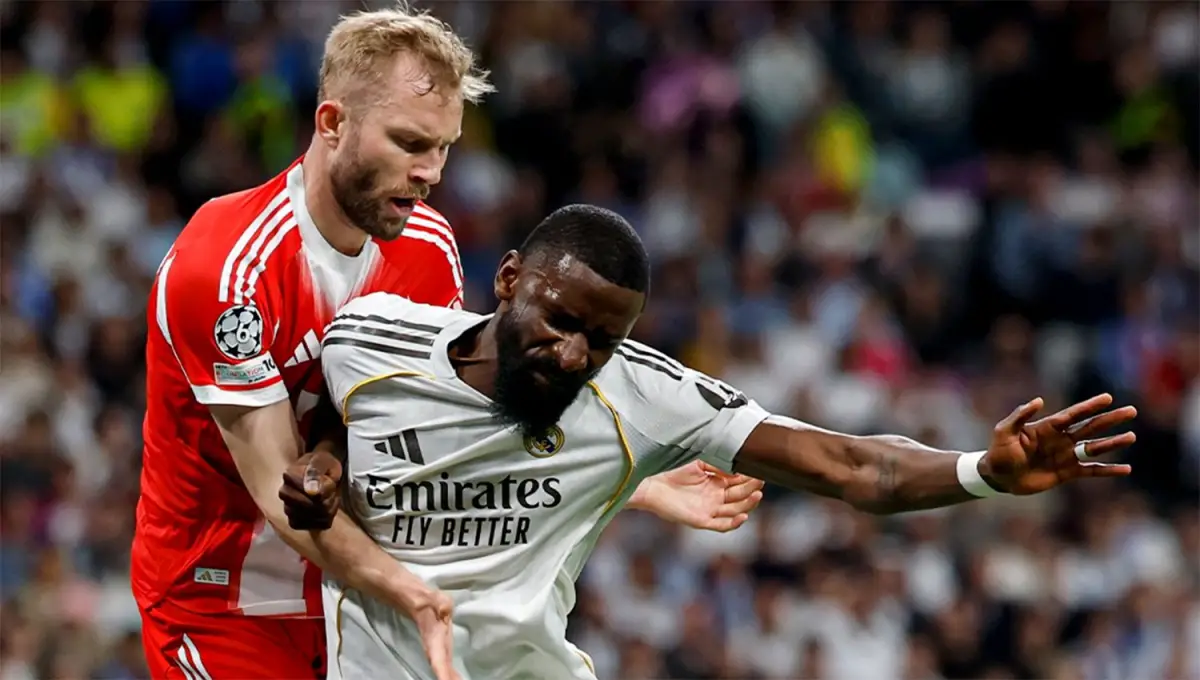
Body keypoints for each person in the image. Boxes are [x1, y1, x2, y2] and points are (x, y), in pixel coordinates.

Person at [133, 7, 761, 680]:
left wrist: (626, 482)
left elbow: (440, 433)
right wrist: (414, 595)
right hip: (222, 604)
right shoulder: (230, 268)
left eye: (444, 147)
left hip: (356, 601)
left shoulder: (427, 246)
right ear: (332, 123)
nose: (431, 172)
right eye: (409, 144)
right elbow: (280, 495)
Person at [282, 203, 1138, 680]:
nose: (575, 355)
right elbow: (332, 415)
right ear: (508, 280)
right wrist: (320, 463)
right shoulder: (373, 339)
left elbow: (848, 464)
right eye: (559, 322)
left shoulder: (639, 392)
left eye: (602, 340)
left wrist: (980, 472)